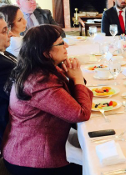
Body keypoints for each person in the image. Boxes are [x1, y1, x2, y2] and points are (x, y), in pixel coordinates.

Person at [2, 25, 92, 175]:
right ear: (46, 53)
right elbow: (80, 113)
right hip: (31, 162)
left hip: (29, 153)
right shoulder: (39, 81)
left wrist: (74, 78)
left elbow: (68, 99)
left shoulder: (41, 69)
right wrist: (76, 78)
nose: (66, 46)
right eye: (61, 43)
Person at [0, 12, 16, 149]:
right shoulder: (3, 65)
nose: (10, 34)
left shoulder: (4, 54)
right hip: (10, 125)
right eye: (4, 31)